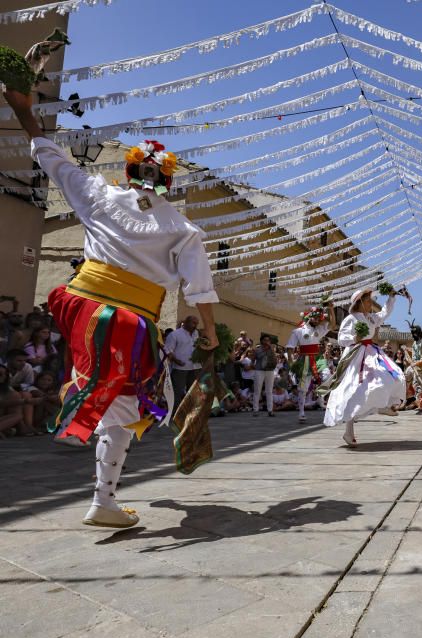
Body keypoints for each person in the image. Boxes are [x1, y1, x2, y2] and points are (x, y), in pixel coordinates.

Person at [4, 88, 219, 528]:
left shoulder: (99, 195)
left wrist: (25, 112)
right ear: (169, 182)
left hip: (81, 308)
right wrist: (212, 335)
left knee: (104, 381)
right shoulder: (182, 228)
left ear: (128, 170)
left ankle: (85, 416)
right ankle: (101, 490)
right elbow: (200, 290)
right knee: (133, 403)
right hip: (129, 322)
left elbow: (52, 158)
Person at [323, 287, 405, 446]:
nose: (370, 303)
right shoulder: (351, 318)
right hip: (355, 355)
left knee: (392, 374)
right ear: (358, 302)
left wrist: (391, 297)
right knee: (353, 390)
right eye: (367, 301)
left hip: (371, 352)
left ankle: (383, 405)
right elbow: (342, 339)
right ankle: (349, 432)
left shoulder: (371, 318)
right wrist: (356, 337)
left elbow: (384, 313)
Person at [287, 305, 333, 423]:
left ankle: (320, 398)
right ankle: (301, 412)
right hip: (304, 358)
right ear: (309, 317)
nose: (318, 320)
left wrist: (331, 308)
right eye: (315, 318)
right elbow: (290, 348)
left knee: (328, 376)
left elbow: (333, 324)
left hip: (317, 358)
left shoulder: (319, 329)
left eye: (319, 318)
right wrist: (291, 363)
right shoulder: (298, 331)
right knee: (303, 387)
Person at [164, 315, 203, 399]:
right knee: (177, 392)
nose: (195, 325)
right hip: (180, 368)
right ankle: (174, 411)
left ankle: (190, 411)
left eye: (197, 323)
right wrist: (176, 360)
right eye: (193, 323)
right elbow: (168, 350)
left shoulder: (197, 334)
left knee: (193, 393)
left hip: (195, 367)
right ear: (186, 322)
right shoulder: (175, 334)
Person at [252, 334, 278, 417]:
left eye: (268, 340)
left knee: (269, 391)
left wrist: (271, 349)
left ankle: (270, 410)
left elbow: (274, 359)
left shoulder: (272, 349)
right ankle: (255, 410)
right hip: (259, 370)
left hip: (270, 371)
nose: (267, 342)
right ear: (261, 341)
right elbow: (253, 359)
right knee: (257, 390)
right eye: (265, 340)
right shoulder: (257, 350)